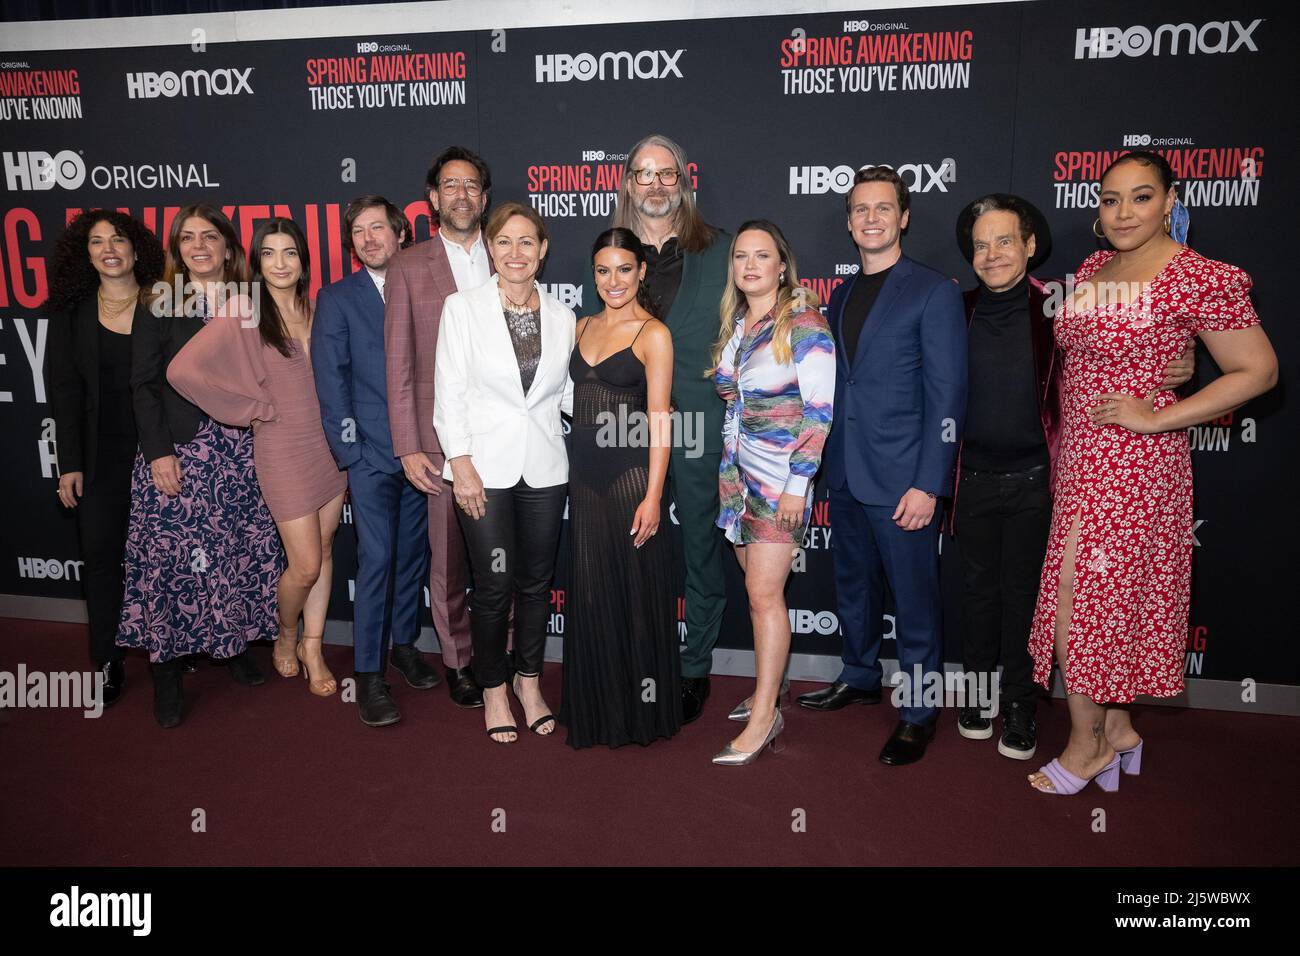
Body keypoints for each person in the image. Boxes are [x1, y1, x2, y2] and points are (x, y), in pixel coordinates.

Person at [1025, 151, 1277, 794]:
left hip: (1135, 467)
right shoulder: (1093, 268)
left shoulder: (1200, 276)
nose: (1123, 211)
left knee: (1081, 608)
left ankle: (1086, 749)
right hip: (1079, 458)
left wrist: (1159, 418)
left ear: (1171, 201)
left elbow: (1259, 371)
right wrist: (1177, 356)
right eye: (1110, 199)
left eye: (1141, 197)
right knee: (1105, 607)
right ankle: (1118, 731)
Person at [950, 194, 1194, 761]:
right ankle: (980, 693)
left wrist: (1182, 363)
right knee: (977, 593)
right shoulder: (952, 309)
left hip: (1044, 477)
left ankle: (1020, 703)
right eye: (981, 245)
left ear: (1030, 246)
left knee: (1027, 597)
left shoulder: (1065, 304)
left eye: (1005, 241)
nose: (992, 255)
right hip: (972, 475)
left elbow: (1131, 337)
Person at [797, 167, 967, 767]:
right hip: (843, 471)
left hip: (903, 481)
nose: (871, 218)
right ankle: (860, 674)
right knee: (854, 588)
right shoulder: (841, 294)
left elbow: (947, 396)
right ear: (848, 222)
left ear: (904, 216)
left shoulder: (932, 290)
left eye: (883, 208)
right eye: (860, 209)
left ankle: (919, 712)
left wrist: (929, 483)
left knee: (915, 602)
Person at [582, 133, 730, 723]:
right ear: (627, 184)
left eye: (665, 173)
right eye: (642, 174)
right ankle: (634, 660)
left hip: (694, 425)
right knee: (629, 551)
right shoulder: (612, 254)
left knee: (698, 550)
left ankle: (693, 668)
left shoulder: (719, 249)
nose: (654, 184)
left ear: (683, 181)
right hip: (620, 436)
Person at [168, 217, 348, 698]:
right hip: (283, 446)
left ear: (303, 260)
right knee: (305, 564)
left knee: (327, 550)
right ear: (256, 260)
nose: (280, 263)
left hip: (330, 447)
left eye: (289, 252)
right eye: (268, 253)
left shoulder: (318, 307)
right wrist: (250, 408)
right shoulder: (245, 309)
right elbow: (183, 370)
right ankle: (285, 632)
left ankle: (313, 645)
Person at [119, 203, 282, 727]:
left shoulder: (249, 299)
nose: (199, 246)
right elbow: (143, 383)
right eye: (187, 238)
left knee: (231, 552)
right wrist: (159, 451)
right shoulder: (158, 300)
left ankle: (233, 648)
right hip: (181, 451)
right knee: (172, 562)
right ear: (176, 249)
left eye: (209, 236)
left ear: (228, 246)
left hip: (237, 451)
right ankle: (166, 671)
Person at [433, 202, 575, 744]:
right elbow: (449, 392)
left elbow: (563, 395)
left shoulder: (562, 316)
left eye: (527, 242)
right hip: (482, 470)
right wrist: (461, 464)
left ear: (543, 249)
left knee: (536, 586)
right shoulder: (461, 308)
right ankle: (493, 687)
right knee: (493, 586)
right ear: (490, 249)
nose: (516, 253)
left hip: (544, 467)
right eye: (504, 242)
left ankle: (529, 683)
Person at [313, 197, 442, 725]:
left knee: (414, 556)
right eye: (359, 232)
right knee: (379, 560)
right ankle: (369, 674)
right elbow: (332, 381)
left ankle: (405, 645)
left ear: (400, 235)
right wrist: (352, 453)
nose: (368, 238)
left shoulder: (426, 289)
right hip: (369, 455)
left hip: (425, 451)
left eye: (378, 229)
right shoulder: (338, 298)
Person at [711, 221, 835, 766]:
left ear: (782, 264)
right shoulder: (739, 323)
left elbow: (820, 413)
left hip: (782, 482)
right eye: (741, 256)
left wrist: (798, 486)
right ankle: (770, 690)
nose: (751, 265)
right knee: (757, 592)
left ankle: (765, 717)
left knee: (764, 596)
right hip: (738, 479)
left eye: (763, 256)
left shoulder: (804, 323)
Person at [561, 227, 681, 749]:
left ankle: (640, 714)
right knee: (590, 594)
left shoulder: (653, 333)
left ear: (642, 272)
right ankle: (598, 708)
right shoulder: (580, 325)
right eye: (603, 270)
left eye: (624, 269)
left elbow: (660, 420)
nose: (614, 280)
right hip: (582, 477)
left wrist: (654, 496)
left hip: (632, 477)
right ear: (594, 273)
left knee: (634, 594)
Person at [384, 145, 491, 708]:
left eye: (471, 185)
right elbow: (398, 364)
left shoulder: (508, 255)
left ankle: (501, 655)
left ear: (484, 196)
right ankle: (458, 661)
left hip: (502, 440)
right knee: (447, 562)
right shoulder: (406, 266)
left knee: (504, 558)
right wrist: (407, 446)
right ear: (433, 197)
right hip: (436, 442)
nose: (461, 194)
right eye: (450, 185)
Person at [46, 210, 164, 707]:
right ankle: (109, 659)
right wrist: (69, 462)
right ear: (86, 255)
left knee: (163, 556)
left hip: (160, 449)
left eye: (118, 240)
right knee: (100, 559)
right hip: (99, 456)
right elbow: (65, 392)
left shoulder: (164, 302)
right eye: (97, 243)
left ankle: (172, 653)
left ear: (137, 250)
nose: (109, 249)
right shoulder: (71, 315)